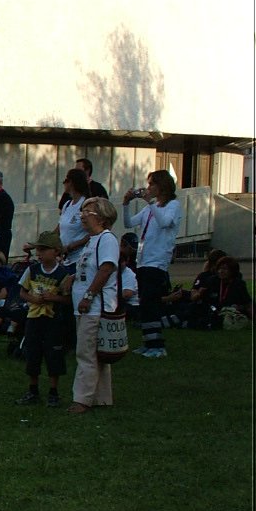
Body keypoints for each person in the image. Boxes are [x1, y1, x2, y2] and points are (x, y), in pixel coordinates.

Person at [122, 170, 181, 359]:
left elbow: (164, 223)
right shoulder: (150, 208)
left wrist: (149, 202)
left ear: (161, 186)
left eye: (151, 185)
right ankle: (149, 342)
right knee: (145, 304)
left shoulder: (173, 205)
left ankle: (157, 345)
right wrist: (126, 203)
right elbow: (129, 223)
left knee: (152, 302)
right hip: (143, 260)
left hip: (158, 261)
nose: (147, 189)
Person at [70, 197, 120, 414]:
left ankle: (82, 399)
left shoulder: (106, 240)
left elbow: (106, 269)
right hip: (86, 306)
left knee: (86, 353)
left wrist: (89, 296)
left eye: (87, 212)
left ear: (101, 216)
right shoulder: (92, 240)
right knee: (98, 355)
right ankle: (101, 397)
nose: (82, 216)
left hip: (94, 307)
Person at [15, 231, 72, 407]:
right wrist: (34, 299)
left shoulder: (63, 274)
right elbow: (22, 292)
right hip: (33, 318)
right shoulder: (32, 270)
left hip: (53, 320)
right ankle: (33, 390)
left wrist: (53, 298)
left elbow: (68, 298)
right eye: (38, 250)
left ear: (56, 252)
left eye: (43, 250)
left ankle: (53, 392)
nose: (39, 254)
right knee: (33, 353)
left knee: (53, 354)